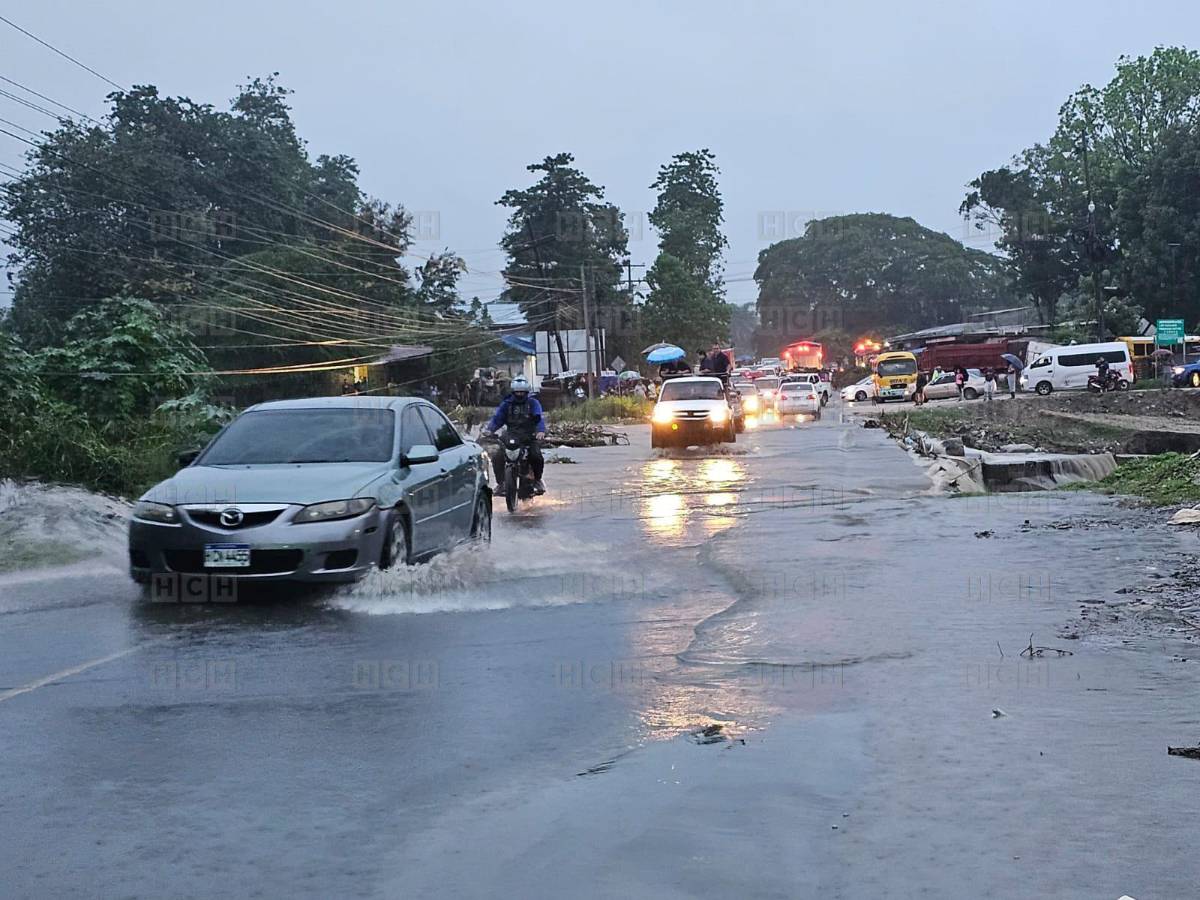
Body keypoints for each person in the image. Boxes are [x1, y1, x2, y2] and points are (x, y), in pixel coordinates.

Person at [483, 377, 546, 494]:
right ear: (513, 392)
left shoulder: (533, 403)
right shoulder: (506, 404)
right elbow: (497, 419)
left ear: (526, 392)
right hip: (511, 435)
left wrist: (540, 431)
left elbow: (539, 418)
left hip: (529, 436)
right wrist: (489, 430)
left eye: (522, 392)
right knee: (497, 456)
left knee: (536, 456)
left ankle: (537, 480)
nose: (520, 394)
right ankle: (501, 483)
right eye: (517, 392)